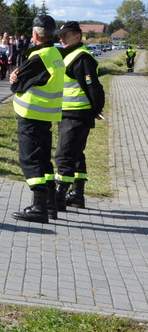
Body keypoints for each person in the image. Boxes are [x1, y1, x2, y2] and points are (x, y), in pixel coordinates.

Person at [10, 15, 64, 223]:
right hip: (46, 115)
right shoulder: (55, 54)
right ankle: (50, 205)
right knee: (43, 160)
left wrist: (14, 78)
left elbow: (17, 84)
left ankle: (39, 207)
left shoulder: (39, 57)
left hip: (30, 115)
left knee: (30, 160)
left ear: (34, 34)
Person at [54, 21, 105, 211]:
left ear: (77, 36)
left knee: (64, 154)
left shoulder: (82, 58)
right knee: (76, 154)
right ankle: (77, 195)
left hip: (77, 113)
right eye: (60, 36)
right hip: (68, 113)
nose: (62, 39)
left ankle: (59, 196)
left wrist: (97, 109)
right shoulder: (69, 55)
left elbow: (93, 86)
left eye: (65, 35)